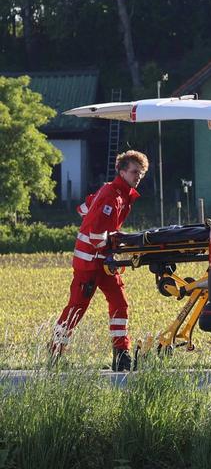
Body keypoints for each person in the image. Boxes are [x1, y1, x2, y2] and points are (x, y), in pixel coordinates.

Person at [50, 150, 148, 371]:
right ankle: (55, 354)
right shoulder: (112, 196)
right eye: (135, 172)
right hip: (91, 263)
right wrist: (114, 248)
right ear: (122, 172)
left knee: (119, 303)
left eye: (141, 173)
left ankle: (121, 353)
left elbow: (82, 209)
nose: (138, 177)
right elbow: (96, 236)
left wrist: (110, 245)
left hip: (102, 261)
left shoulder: (114, 192)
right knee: (76, 309)